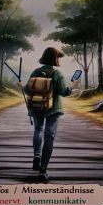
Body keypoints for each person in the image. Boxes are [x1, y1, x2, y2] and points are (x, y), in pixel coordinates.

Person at [23, 46, 73, 183]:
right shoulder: (58, 74)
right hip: (53, 109)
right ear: (55, 59)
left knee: (38, 129)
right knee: (49, 136)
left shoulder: (36, 71)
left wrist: (21, 86)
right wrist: (72, 86)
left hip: (37, 107)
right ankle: (43, 169)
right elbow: (64, 92)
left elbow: (27, 89)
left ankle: (37, 156)